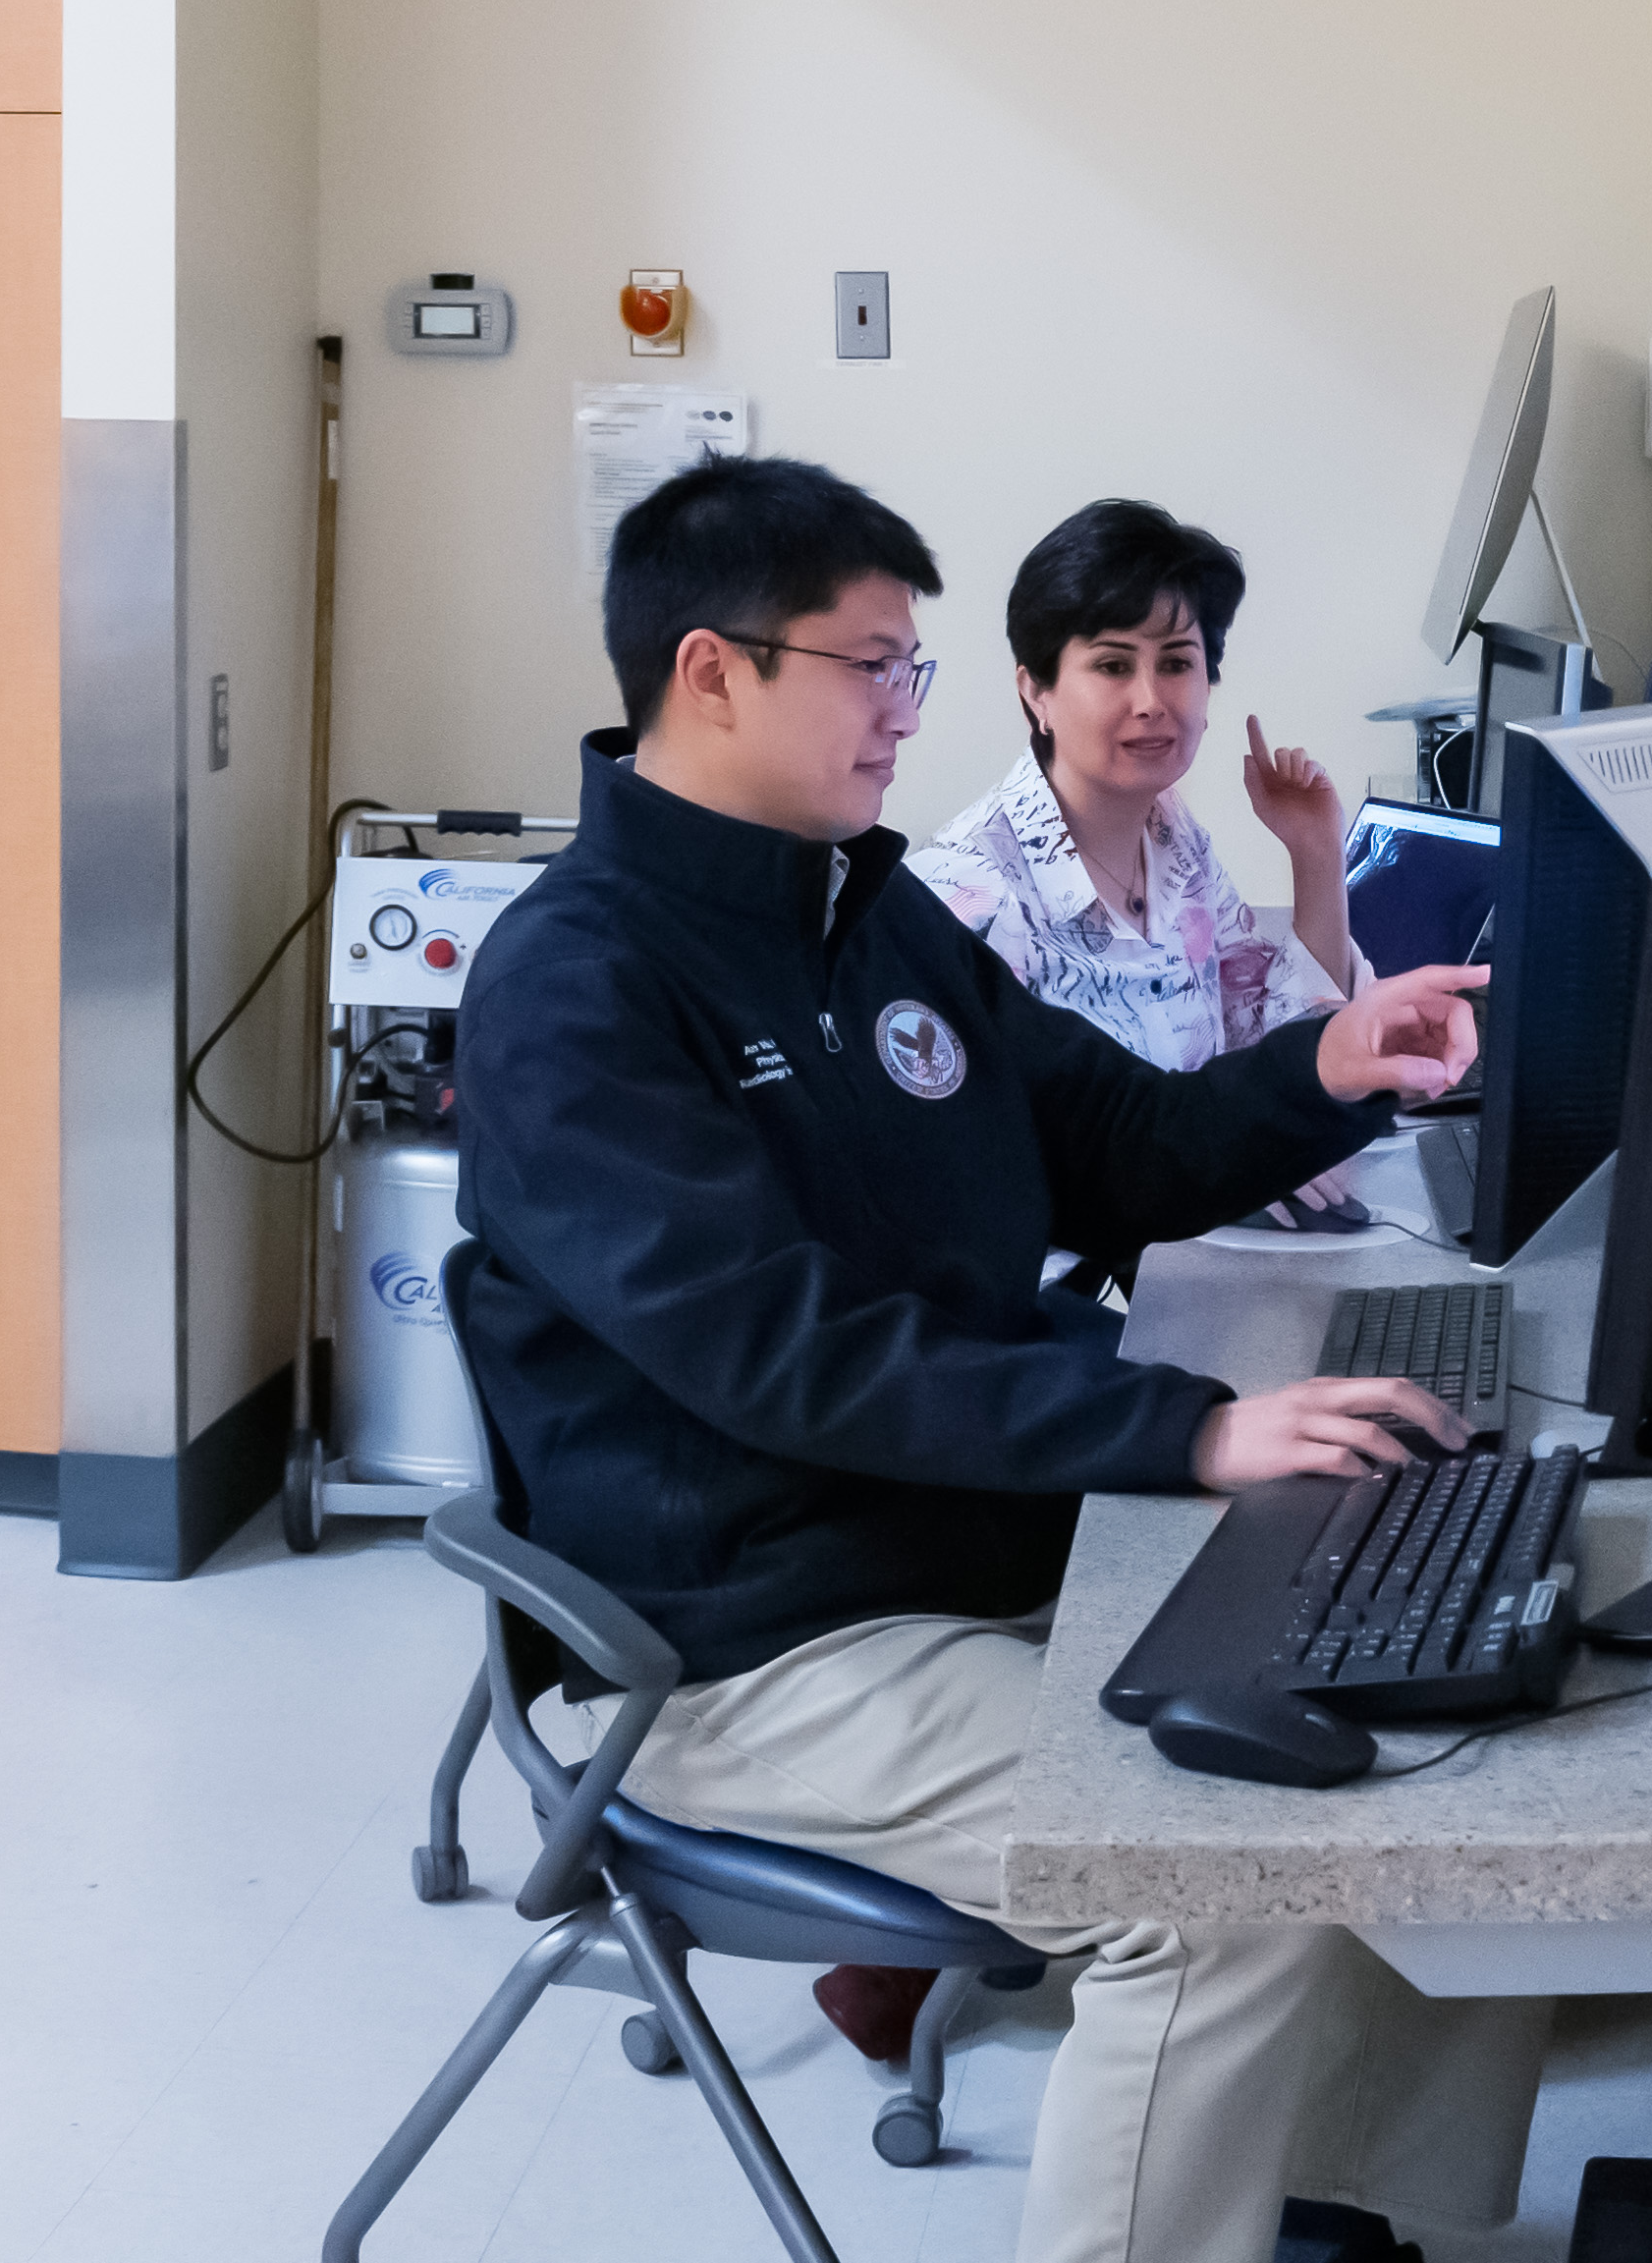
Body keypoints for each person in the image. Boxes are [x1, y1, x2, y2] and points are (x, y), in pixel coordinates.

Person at [447, 457, 1539, 2263]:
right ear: (712, 672)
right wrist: (1186, 1431)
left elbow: (1110, 1139)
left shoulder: (864, 913)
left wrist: (1328, 1066)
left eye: (914, 668)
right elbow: (786, 1351)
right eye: (872, 667)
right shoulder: (575, 986)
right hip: (760, 1640)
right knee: (1210, 1889)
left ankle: (1333, 2211)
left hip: (980, 1535)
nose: (906, 709)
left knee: (1438, 1686)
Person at [907, 500, 1370, 1226]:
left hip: (1196, 1243)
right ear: (1036, 692)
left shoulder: (1174, 837)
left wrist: (1314, 853)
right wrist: (1235, 1162)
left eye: (1177, 663)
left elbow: (1266, 1039)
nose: (1152, 700)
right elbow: (969, 1165)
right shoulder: (966, 895)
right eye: (1113, 665)